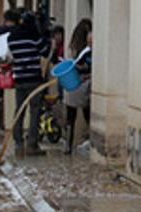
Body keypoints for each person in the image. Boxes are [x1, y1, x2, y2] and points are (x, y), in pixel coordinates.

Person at [7, 10, 51, 155]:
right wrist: (46, 37)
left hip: (19, 78)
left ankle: (18, 143)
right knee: (35, 111)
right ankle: (32, 144)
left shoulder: (12, 38)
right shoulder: (33, 37)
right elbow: (45, 51)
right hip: (34, 79)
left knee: (19, 110)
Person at [64, 19, 92, 154]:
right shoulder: (87, 52)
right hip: (82, 86)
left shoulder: (74, 48)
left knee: (71, 117)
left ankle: (68, 145)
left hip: (71, 85)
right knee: (87, 114)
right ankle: (88, 139)